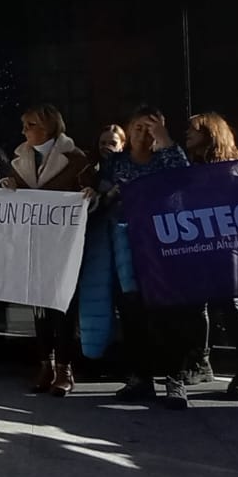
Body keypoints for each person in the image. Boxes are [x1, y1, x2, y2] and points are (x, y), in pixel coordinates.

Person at [90, 106, 192, 408]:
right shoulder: (116, 162)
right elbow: (101, 196)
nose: (144, 134)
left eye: (151, 128)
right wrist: (109, 195)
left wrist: (165, 139)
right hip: (126, 247)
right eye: (138, 127)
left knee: (168, 317)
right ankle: (140, 378)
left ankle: (175, 380)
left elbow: (184, 178)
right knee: (132, 316)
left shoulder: (167, 158)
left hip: (162, 248)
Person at [1, 104, 91, 396]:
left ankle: (65, 368)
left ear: (49, 127)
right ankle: (46, 365)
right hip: (34, 246)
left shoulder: (76, 159)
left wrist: (90, 196)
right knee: (39, 309)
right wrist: (7, 186)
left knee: (63, 308)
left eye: (31, 125)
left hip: (64, 247)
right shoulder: (19, 161)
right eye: (24, 125)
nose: (24, 130)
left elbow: (90, 196)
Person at [184, 112, 238, 401]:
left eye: (193, 130)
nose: (187, 134)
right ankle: (201, 361)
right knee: (196, 303)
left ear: (210, 133)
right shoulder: (193, 166)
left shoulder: (232, 166)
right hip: (196, 240)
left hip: (225, 241)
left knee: (230, 302)